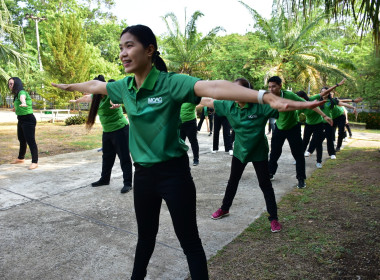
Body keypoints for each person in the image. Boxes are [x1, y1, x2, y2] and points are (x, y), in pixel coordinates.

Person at [52, 24, 325, 279]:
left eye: (129, 46)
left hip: (174, 175)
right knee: (145, 238)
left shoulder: (171, 83)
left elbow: (215, 86)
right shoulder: (124, 87)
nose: (123, 53)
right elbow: (96, 86)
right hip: (143, 176)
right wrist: (70, 86)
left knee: (190, 242)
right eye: (121, 47)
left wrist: (263, 96)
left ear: (149, 50)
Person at [203, 78, 282, 233]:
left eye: (239, 90)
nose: (235, 93)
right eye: (233, 90)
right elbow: (207, 101)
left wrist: (277, 94)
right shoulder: (228, 105)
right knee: (233, 181)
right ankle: (225, 208)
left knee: (265, 184)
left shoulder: (260, 106)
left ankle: (274, 218)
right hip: (240, 151)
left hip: (258, 151)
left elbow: (283, 105)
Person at [70, 76, 133, 194]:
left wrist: (117, 104)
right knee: (107, 157)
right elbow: (86, 98)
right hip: (107, 131)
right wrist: (76, 101)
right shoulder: (95, 97)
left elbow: (116, 100)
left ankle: (128, 183)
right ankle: (105, 179)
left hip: (120, 129)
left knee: (124, 157)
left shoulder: (111, 94)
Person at [267, 76, 332, 189]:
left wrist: (324, 115)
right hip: (279, 127)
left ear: (280, 86)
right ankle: (270, 173)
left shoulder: (289, 95)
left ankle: (301, 179)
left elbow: (308, 104)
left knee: (298, 154)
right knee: (274, 153)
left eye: (274, 86)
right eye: (269, 87)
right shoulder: (268, 97)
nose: (271, 89)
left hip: (293, 127)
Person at [296, 91, 333, 169]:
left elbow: (324, 93)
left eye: (299, 98)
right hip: (308, 125)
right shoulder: (301, 106)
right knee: (304, 142)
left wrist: (337, 85)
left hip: (318, 124)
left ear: (303, 97)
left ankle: (319, 162)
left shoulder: (312, 99)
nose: (298, 99)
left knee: (318, 143)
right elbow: (295, 115)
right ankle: (299, 159)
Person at [9, 77, 38, 170]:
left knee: (30, 141)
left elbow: (23, 98)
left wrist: (23, 102)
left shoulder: (21, 92)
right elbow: (18, 104)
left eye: (11, 83)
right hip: (21, 119)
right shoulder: (16, 94)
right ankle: (21, 158)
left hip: (28, 119)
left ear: (16, 84)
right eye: (9, 84)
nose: (10, 85)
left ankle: (35, 162)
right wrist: (15, 109)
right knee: (21, 139)